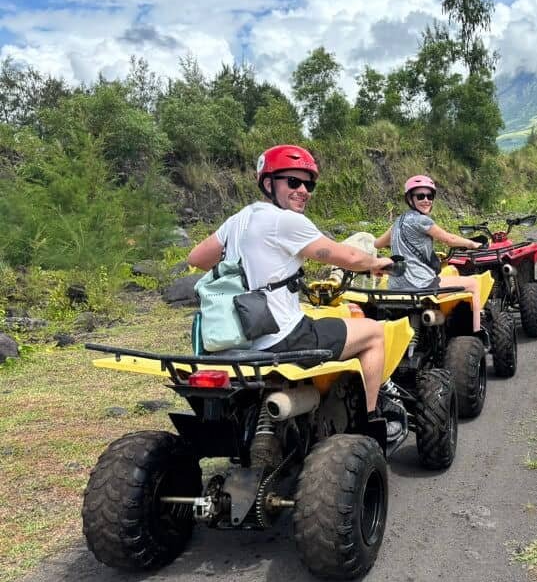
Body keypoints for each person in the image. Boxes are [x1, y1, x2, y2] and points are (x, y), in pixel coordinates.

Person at [188, 144, 395, 420]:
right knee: (374, 332)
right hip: (283, 338)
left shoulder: (239, 219)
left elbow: (197, 258)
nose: (303, 190)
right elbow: (348, 256)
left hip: (237, 340)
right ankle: (371, 419)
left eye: (309, 184)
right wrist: (376, 263)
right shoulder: (286, 221)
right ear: (268, 183)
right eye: (293, 182)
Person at [374, 175, 484, 332]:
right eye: (420, 196)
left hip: (396, 286)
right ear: (410, 199)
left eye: (429, 196)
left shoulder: (397, 222)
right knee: (473, 284)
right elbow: (450, 239)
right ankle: (478, 332)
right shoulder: (422, 221)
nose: (426, 200)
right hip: (420, 284)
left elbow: (377, 244)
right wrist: (472, 244)